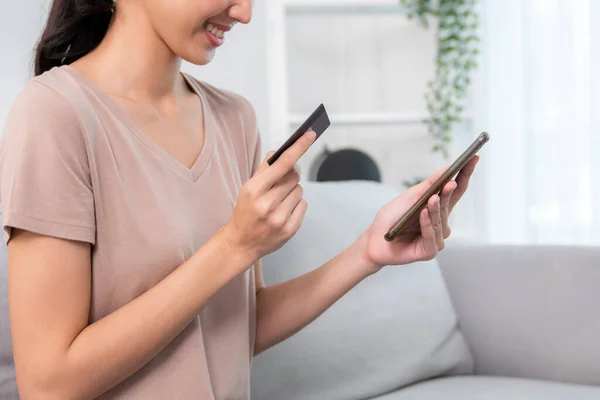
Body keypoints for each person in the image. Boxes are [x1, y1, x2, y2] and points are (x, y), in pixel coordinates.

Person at [0, 0, 479, 399]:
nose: (244, 12)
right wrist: (234, 245)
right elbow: (49, 384)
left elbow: (238, 328)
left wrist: (367, 252)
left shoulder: (234, 119)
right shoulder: (55, 115)